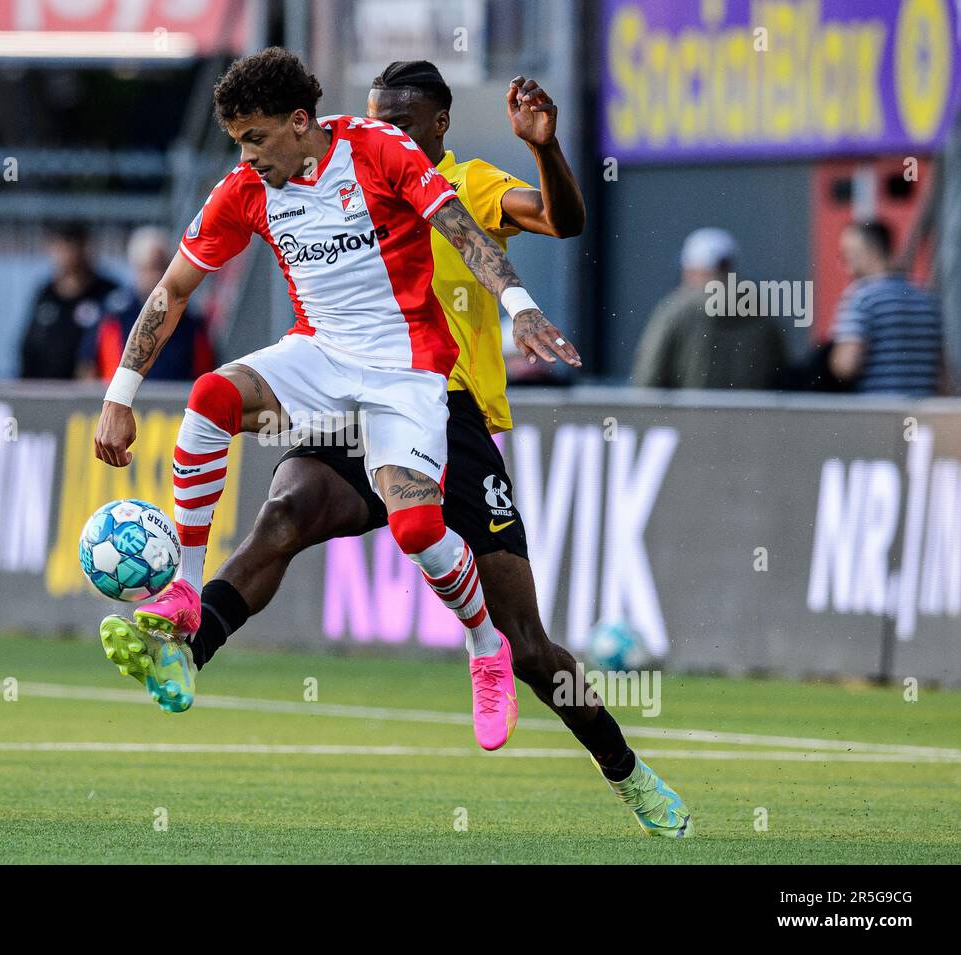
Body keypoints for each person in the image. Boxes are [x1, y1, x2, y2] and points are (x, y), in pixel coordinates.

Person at [97, 55, 693, 836]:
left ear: (438, 123)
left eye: (401, 117)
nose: (385, 126)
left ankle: (627, 771)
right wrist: (122, 395)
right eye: (375, 111)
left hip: (444, 405)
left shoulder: (458, 181)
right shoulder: (288, 180)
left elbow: (561, 220)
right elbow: (177, 287)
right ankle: (188, 639)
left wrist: (540, 177)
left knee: (527, 643)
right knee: (282, 515)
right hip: (341, 387)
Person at [631, 227, 787, 390]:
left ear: (693, 270)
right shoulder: (763, 315)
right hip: (752, 415)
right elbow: (781, 377)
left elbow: (648, 378)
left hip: (688, 415)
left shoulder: (676, 311)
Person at [78, 226, 214, 382]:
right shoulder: (113, 315)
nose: (157, 275)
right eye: (152, 267)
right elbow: (88, 367)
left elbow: (205, 369)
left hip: (175, 402)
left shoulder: (190, 318)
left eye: (163, 267)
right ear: (137, 268)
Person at [829, 220, 944, 397]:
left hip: (876, 412)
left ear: (869, 251)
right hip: (922, 414)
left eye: (848, 255)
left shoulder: (862, 297)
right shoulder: (926, 298)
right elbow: (942, 367)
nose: (844, 265)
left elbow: (846, 365)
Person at [17, 221, 118, 380]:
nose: (68, 253)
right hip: (47, 389)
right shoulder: (46, 294)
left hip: (92, 395)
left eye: (73, 245)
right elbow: (30, 346)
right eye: (61, 246)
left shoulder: (108, 294)